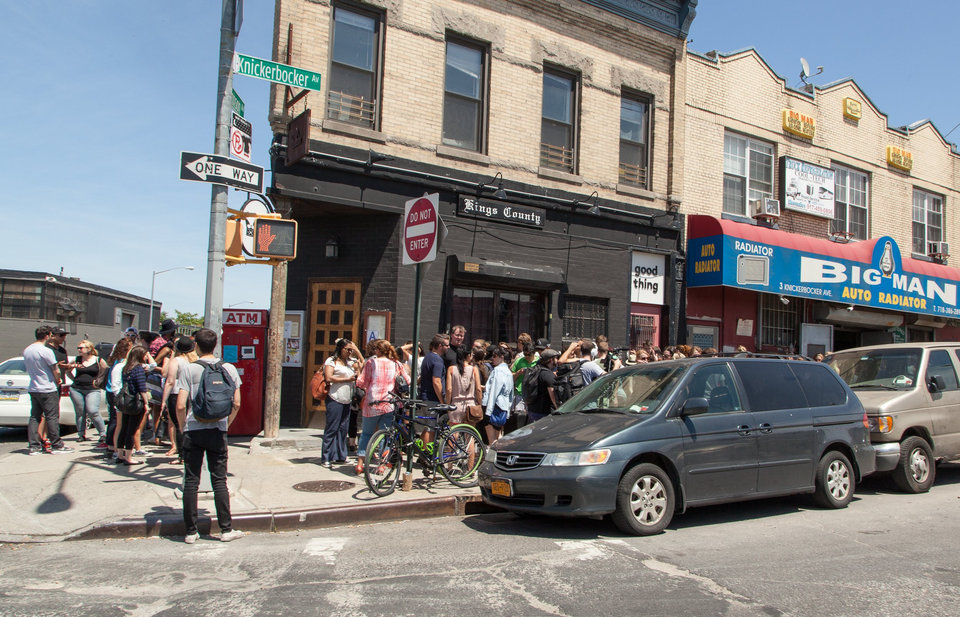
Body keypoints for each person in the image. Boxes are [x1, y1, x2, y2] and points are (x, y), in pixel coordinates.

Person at [175, 327, 243, 544]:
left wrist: (182, 427)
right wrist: (226, 424)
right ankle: (226, 529)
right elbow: (237, 403)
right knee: (219, 480)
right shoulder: (229, 368)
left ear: (196, 345)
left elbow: (180, 404)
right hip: (218, 430)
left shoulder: (189, 369)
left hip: (193, 429)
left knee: (191, 481)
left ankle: (190, 532)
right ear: (216, 345)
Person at [355, 339, 407, 475]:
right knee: (385, 435)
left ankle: (360, 464)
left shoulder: (371, 363)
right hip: (388, 404)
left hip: (372, 403)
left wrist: (358, 374)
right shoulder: (396, 364)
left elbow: (361, 382)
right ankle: (381, 466)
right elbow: (407, 380)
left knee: (366, 434)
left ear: (378, 350)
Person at [25, 326, 72, 455]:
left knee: (35, 417)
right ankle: (56, 444)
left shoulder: (27, 350)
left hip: (34, 387)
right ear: (48, 335)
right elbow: (55, 370)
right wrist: (58, 380)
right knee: (52, 416)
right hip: (47, 388)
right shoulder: (46, 351)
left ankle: (34, 446)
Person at [322, 338, 363, 468]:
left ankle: (340, 456)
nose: (349, 352)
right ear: (340, 348)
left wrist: (356, 350)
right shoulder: (331, 361)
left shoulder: (350, 362)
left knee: (343, 429)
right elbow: (328, 377)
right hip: (335, 397)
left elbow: (363, 365)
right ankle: (326, 457)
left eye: (351, 350)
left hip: (347, 399)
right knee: (332, 428)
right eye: (347, 349)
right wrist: (347, 379)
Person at [159, 335, 198, 460]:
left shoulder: (176, 360)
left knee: (179, 425)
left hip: (177, 393)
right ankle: (190, 452)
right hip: (191, 394)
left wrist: (164, 400)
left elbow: (170, 381)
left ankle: (182, 454)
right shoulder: (195, 360)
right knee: (190, 424)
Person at [66, 339, 108, 444]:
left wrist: (98, 381)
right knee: (80, 412)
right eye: (78, 348)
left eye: (81, 348)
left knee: (93, 411)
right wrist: (74, 379)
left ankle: (102, 434)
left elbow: (106, 370)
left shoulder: (98, 360)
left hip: (92, 389)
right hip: (77, 389)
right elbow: (67, 370)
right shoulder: (77, 359)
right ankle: (81, 434)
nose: (79, 350)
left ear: (89, 349)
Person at [117, 346, 151, 465]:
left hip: (126, 400)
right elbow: (141, 388)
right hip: (135, 401)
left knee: (124, 428)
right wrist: (146, 403)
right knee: (132, 429)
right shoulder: (138, 369)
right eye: (145, 354)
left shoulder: (126, 368)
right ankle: (129, 457)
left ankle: (120, 455)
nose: (147, 357)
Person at [104, 337, 133, 459]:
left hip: (110, 391)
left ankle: (112, 445)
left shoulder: (114, 359)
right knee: (118, 423)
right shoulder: (121, 363)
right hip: (117, 393)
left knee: (114, 420)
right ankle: (115, 447)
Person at [481, 345, 512, 443]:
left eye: (495, 356)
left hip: (494, 406)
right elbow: (510, 394)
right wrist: (508, 410)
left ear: (501, 357)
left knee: (492, 440)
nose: (492, 358)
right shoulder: (508, 372)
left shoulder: (498, 371)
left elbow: (494, 391)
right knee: (498, 437)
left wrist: (488, 411)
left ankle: (493, 453)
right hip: (503, 406)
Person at [445, 344, 481, 425]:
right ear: (468, 355)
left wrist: (448, 404)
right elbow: (478, 389)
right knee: (469, 430)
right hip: (471, 406)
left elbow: (449, 389)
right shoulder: (474, 369)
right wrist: (479, 403)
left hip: (455, 405)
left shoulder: (451, 369)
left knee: (455, 430)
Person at [527, 348, 560, 422]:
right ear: (551, 360)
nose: (557, 360)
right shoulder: (547, 375)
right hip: (543, 413)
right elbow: (553, 396)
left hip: (532, 410)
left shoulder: (535, 370)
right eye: (556, 358)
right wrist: (558, 409)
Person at [419, 334, 449, 403]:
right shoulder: (437, 360)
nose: (448, 347)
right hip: (433, 400)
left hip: (425, 398)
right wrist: (442, 401)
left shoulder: (427, 356)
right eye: (447, 345)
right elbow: (436, 381)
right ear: (440, 346)